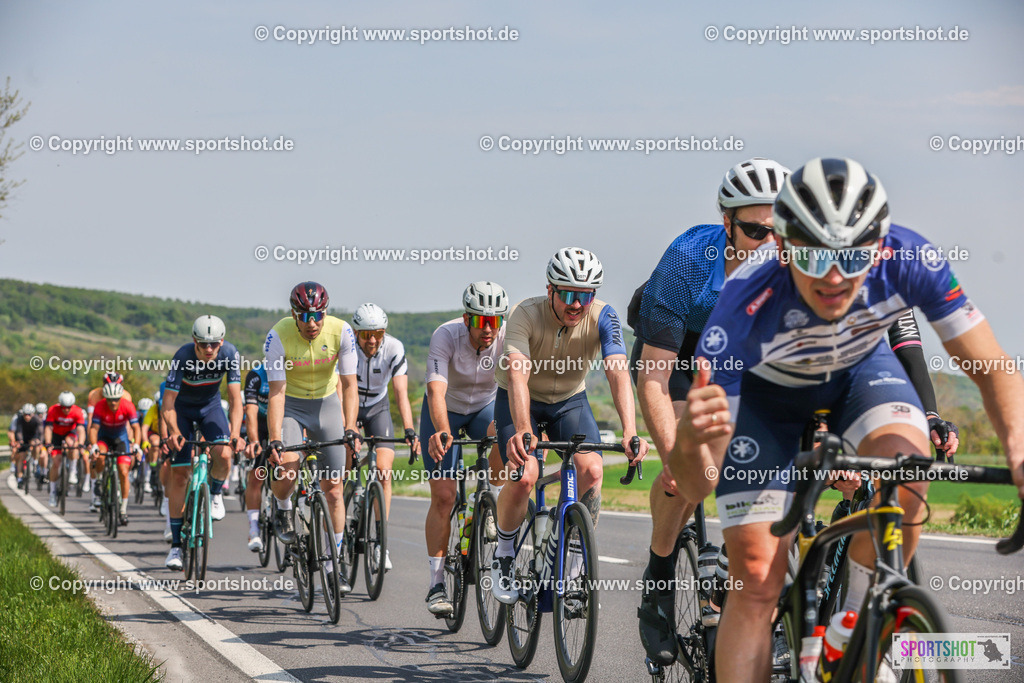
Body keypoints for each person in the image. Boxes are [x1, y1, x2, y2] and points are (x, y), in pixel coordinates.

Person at [668, 158, 1024, 680]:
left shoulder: (910, 257)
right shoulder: (746, 296)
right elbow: (692, 467)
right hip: (768, 400)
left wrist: (1017, 443)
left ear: (879, 246)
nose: (835, 277)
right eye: (814, 257)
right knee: (757, 576)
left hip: (860, 374)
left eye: (854, 257)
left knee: (909, 467)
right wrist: (693, 438)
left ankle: (854, 624)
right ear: (784, 247)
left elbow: (992, 368)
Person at [490, 247, 649, 604]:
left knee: (592, 469)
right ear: (551, 291)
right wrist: (521, 429)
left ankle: (573, 571)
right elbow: (517, 375)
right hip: (521, 399)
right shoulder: (523, 314)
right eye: (568, 294)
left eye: (586, 295)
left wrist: (630, 429)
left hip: (569, 401)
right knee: (526, 473)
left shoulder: (603, 316)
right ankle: (503, 554)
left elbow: (618, 371)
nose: (577, 304)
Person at [264, 282, 360, 594]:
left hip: (327, 404)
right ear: (294, 314)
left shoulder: (341, 331)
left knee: (334, 490)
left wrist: (351, 427)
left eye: (317, 315)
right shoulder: (278, 335)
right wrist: (274, 439)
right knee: (289, 466)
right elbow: (276, 393)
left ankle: (335, 566)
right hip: (291, 405)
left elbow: (349, 385)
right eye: (304, 316)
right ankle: (281, 504)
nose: (311, 323)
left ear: (325, 311)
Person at [421, 281, 508, 615]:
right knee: (444, 496)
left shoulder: (506, 335)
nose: (487, 329)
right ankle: (436, 584)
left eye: (494, 321)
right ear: (466, 318)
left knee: (505, 433)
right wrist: (442, 431)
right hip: (445, 409)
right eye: (480, 321)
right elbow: (435, 391)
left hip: (484, 408)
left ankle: (494, 502)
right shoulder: (445, 335)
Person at [161, 315, 244, 570]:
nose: (209, 350)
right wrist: (174, 431)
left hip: (210, 408)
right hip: (182, 412)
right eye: (203, 344)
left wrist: (236, 434)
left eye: (214, 345)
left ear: (221, 343)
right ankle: (176, 546)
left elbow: (235, 399)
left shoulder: (230, 353)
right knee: (179, 475)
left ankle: (216, 493)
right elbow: (168, 404)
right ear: (194, 341)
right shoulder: (182, 357)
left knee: (225, 454)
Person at [351, 302, 421, 571]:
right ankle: (353, 489)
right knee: (348, 456)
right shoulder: (347, 347)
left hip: (379, 407)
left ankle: (380, 543)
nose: (372, 340)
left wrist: (409, 430)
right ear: (356, 333)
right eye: (366, 334)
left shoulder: (393, 348)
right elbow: (339, 388)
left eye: (377, 334)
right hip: (351, 404)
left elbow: (401, 393)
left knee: (383, 469)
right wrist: (349, 427)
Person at [88, 383, 141, 525]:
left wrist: (136, 445)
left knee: (123, 471)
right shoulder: (100, 406)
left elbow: (136, 427)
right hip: (103, 437)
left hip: (120, 438)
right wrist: (93, 446)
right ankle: (99, 479)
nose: (113, 402)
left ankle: (123, 509)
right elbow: (93, 428)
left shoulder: (127, 406)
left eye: (116, 399)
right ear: (105, 398)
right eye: (110, 399)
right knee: (100, 455)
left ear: (120, 397)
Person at [242, 362, 270, 552]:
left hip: (283, 421)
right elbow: (250, 412)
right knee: (257, 475)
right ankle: (254, 529)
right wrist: (253, 441)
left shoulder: (292, 372)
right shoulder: (256, 375)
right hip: (259, 424)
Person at [43, 392, 87, 506]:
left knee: (71, 444)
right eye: (64, 407)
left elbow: (81, 429)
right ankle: (52, 493)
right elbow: (48, 428)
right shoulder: (53, 410)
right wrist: (48, 443)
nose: (66, 410)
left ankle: (72, 471)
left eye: (69, 407)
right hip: (56, 435)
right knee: (56, 463)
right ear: (60, 405)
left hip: (70, 433)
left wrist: (81, 444)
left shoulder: (77, 411)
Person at [11, 404, 43, 487]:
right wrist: (20, 440)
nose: (27, 416)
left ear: (32, 414)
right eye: (25, 414)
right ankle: (20, 478)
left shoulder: (36, 419)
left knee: (36, 447)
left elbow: (40, 432)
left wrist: (37, 440)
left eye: (29, 414)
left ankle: (35, 463)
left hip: (33, 437)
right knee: (21, 456)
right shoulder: (19, 419)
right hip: (23, 438)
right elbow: (18, 431)